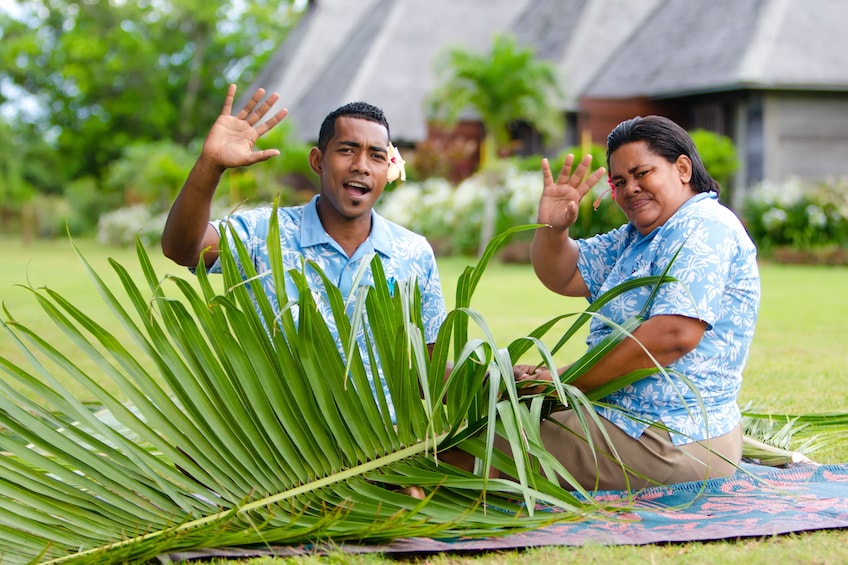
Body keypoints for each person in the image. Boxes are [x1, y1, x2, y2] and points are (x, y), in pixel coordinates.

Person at [161, 84, 447, 422]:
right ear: (317, 161)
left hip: (383, 451)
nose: (361, 165)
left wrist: (496, 377)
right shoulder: (262, 235)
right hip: (287, 460)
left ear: (388, 169)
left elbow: (427, 369)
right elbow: (183, 248)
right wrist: (211, 165)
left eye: (376, 155)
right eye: (347, 150)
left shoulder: (413, 252)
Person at [509, 115, 760, 491]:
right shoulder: (638, 237)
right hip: (624, 420)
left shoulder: (704, 226)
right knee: (502, 416)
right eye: (620, 182)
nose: (631, 189)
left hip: (672, 437)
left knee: (498, 440)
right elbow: (563, 275)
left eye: (642, 173)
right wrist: (553, 229)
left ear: (682, 168)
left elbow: (673, 335)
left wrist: (560, 382)